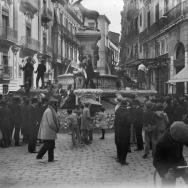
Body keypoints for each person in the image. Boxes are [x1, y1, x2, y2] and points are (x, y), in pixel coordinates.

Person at [153, 121, 188, 186]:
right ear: (174, 136)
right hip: (168, 168)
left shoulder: (181, 133)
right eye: (180, 139)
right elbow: (156, 161)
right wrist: (164, 173)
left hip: (181, 163)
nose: (182, 141)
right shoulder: (162, 142)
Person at [37, 98, 60, 162]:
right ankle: (39, 155)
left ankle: (50, 158)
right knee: (48, 145)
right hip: (48, 131)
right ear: (53, 104)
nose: (57, 105)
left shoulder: (50, 110)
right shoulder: (49, 111)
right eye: (56, 103)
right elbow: (51, 123)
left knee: (51, 145)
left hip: (49, 131)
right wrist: (56, 128)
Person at [114, 99, 132, 165]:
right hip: (125, 131)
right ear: (126, 105)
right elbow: (128, 122)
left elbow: (115, 121)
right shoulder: (127, 112)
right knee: (125, 145)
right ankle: (123, 160)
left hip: (118, 130)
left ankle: (119, 158)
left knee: (119, 144)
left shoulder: (117, 110)